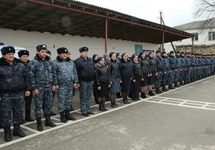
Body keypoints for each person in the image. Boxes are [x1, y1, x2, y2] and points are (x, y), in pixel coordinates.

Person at [0, 46, 31, 142]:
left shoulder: (20, 64)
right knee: (5, 114)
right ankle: (7, 132)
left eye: (12, 54)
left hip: (19, 93)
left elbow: (26, 77)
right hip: (5, 94)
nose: (11, 56)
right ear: (4, 55)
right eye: (9, 54)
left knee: (18, 112)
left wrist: (28, 89)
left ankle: (17, 130)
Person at [28, 44, 57, 131]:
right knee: (38, 105)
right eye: (42, 52)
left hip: (49, 86)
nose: (44, 53)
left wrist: (54, 84)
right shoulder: (33, 62)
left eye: (45, 51)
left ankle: (48, 120)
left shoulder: (50, 61)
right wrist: (34, 88)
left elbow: (54, 73)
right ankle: (39, 123)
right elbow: (31, 76)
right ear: (38, 52)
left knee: (48, 104)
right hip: (39, 87)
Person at [53, 47, 78, 122]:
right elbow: (54, 74)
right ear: (59, 54)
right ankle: (62, 115)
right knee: (62, 101)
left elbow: (74, 72)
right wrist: (56, 83)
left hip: (70, 84)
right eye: (63, 53)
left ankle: (68, 114)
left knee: (69, 100)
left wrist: (75, 81)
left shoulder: (70, 62)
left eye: (66, 53)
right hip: (61, 85)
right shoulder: (55, 62)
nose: (65, 55)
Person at [75, 47, 95, 116]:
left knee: (89, 96)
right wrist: (77, 81)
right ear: (80, 53)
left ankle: (88, 109)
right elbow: (76, 72)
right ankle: (83, 110)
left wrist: (93, 79)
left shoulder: (90, 60)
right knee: (83, 96)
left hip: (90, 81)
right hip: (83, 81)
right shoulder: (78, 61)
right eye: (84, 52)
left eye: (86, 52)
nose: (86, 53)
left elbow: (92, 70)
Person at [18, 50, 34, 123]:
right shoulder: (17, 65)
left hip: (29, 87)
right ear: (20, 57)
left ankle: (28, 116)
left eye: (26, 56)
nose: (25, 58)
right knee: (20, 104)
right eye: (24, 57)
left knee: (28, 103)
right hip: (20, 88)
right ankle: (20, 118)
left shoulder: (29, 64)